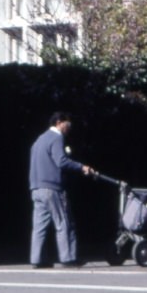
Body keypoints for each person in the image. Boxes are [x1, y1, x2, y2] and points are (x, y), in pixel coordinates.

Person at [29, 111, 93, 268]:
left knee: (39, 226)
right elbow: (61, 161)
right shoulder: (57, 138)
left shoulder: (39, 140)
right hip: (52, 187)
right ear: (59, 122)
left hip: (36, 188)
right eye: (68, 125)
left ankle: (37, 260)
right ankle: (68, 258)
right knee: (64, 223)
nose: (68, 128)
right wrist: (81, 167)